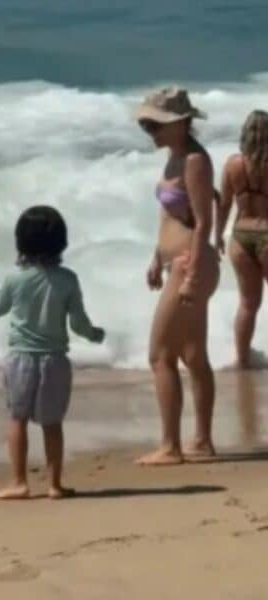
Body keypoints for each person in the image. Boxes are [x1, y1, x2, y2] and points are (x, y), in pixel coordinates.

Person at [0, 206, 105, 500]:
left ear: (21, 242)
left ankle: (19, 482)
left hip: (21, 358)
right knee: (52, 423)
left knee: (17, 418)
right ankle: (55, 484)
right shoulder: (68, 279)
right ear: (61, 242)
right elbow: (78, 322)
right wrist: (94, 334)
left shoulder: (14, 279)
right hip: (56, 360)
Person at [135, 87, 219, 465]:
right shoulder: (173, 159)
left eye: (156, 124)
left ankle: (171, 446)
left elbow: (204, 222)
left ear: (182, 124)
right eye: (146, 124)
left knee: (160, 355)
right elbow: (171, 215)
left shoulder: (194, 162)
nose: (149, 130)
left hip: (191, 263)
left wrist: (190, 274)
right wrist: (157, 256)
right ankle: (201, 440)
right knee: (192, 354)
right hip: (178, 262)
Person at [216, 110, 268, 368]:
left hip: (240, 236)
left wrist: (216, 237)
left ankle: (242, 360)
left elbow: (224, 205)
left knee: (248, 304)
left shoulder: (233, 164)